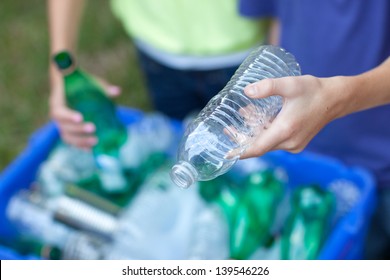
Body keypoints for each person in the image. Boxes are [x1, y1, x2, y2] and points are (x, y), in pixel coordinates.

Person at [238, 0, 390, 259]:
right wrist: (274, 93)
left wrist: (336, 99)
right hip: (305, 142)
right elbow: (282, 17)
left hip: (380, 152)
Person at [48, 0, 269, 149]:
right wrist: (63, 70)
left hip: (241, 54)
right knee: (179, 143)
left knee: (250, 149)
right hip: (155, 50)